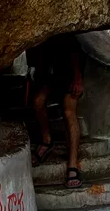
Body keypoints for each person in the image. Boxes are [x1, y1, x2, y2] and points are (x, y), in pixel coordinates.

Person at [28, 35, 84, 188]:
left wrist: (78, 77)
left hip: (70, 71)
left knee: (69, 112)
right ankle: (47, 141)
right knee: (38, 102)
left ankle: (72, 165)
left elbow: (73, 49)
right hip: (51, 72)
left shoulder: (65, 36)